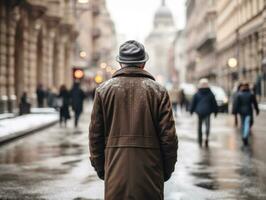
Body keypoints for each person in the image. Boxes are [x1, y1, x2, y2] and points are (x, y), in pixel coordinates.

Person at [89, 40, 178, 199]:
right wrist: (165, 170)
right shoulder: (158, 91)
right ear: (143, 63)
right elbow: (169, 138)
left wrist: (103, 169)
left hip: (115, 171)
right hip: (151, 171)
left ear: (121, 63)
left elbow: (95, 137)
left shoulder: (103, 91)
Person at [190, 78, 218, 147]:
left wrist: (191, 110)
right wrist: (215, 112)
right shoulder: (210, 93)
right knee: (207, 126)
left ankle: (200, 140)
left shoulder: (197, 93)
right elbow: (214, 103)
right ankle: (206, 138)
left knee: (199, 127)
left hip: (199, 112)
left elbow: (193, 103)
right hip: (207, 112)